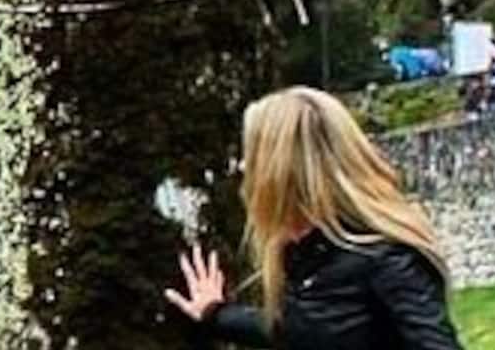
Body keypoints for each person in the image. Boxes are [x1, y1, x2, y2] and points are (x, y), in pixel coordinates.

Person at [164, 87, 463, 349]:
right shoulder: (304, 253)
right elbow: (303, 329)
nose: (244, 167)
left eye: (253, 156)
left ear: (281, 171)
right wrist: (216, 315)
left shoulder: (386, 259)